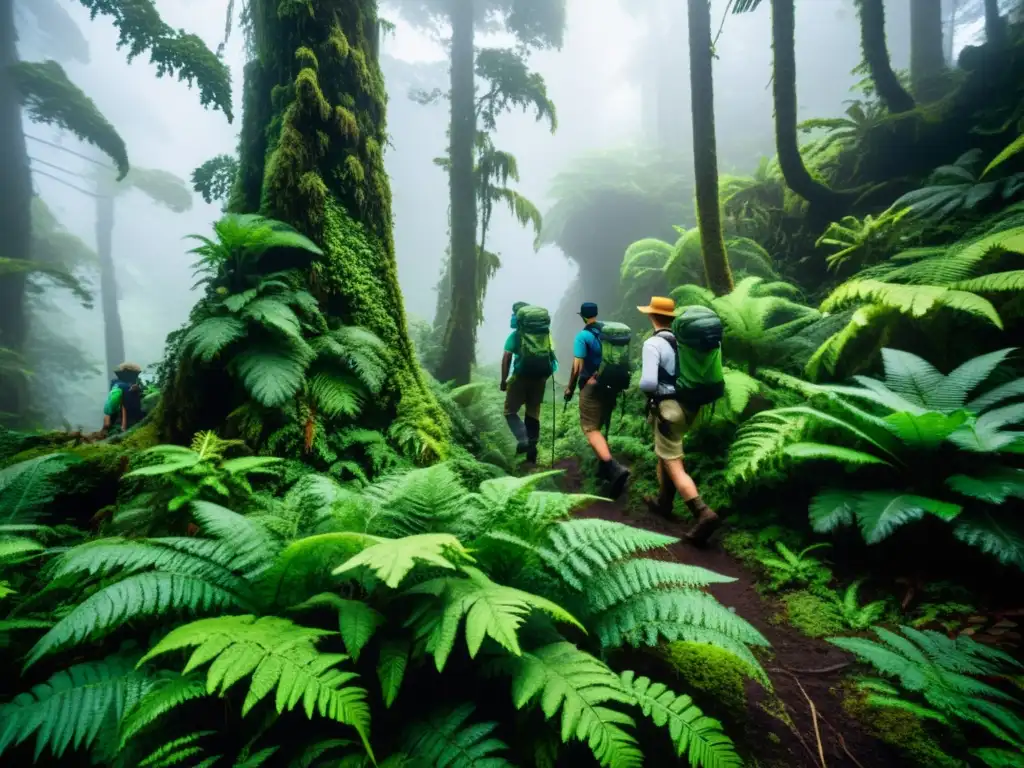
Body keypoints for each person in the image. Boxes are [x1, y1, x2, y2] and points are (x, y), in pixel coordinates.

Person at [636, 296, 719, 545]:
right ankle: (664, 502)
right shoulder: (683, 341)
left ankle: (703, 513)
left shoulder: (653, 344)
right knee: (666, 453)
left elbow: (649, 383)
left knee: (674, 463)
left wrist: (642, 388)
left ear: (651, 316)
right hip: (689, 406)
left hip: (668, 409)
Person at [564, 302, 630, 498]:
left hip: (591, 386)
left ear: (583, 316)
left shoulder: (583, 336)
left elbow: (577, 367)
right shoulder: (609, 332)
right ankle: (604, 468)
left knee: (590, 428)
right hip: (611, 384)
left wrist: (570, 387)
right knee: (601, 424)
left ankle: (613, 468)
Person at [500, 302, 557, 464]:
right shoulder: (546, 335)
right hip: (540, 379)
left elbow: (506, 358)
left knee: (510, 412)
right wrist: (546, 376)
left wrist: (504, 380)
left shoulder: (516, 336)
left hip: (520, 377)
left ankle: (523, 439)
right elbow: (551, 355)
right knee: (533, 412)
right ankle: (532, 455)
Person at [101, 362, 144, 436]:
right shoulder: (119, 387)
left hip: (134, 421)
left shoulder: (121, 386)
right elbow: (110, 407)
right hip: (121, 423)